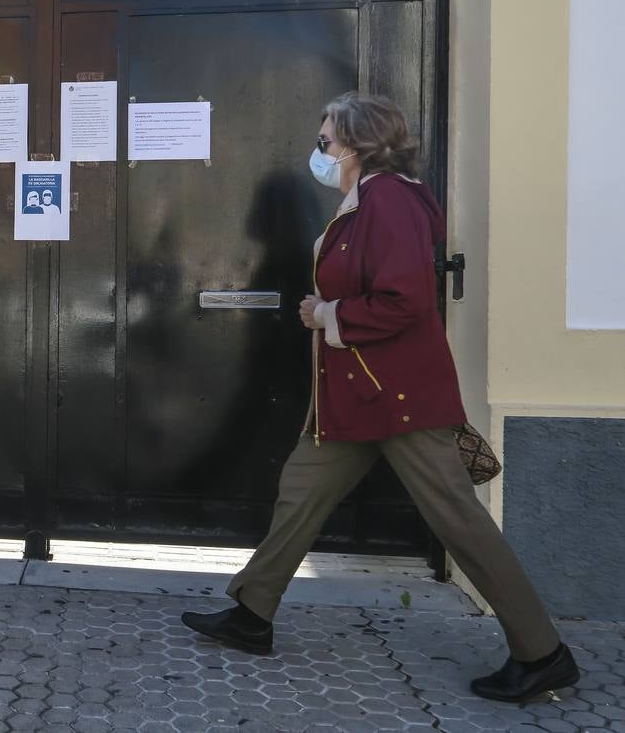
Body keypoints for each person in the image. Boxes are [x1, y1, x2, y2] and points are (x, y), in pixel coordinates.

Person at [179, 92, 579, 704]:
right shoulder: (364, 202)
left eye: (326, 140)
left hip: (396, 398)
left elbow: (404, 301)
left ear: (359, 143)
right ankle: (251, 614)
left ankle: (542, 652)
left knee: (458, 522)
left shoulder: (389, 199)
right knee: (299, 493)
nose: (320, 150)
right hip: (356, 397)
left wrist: (325, 313)